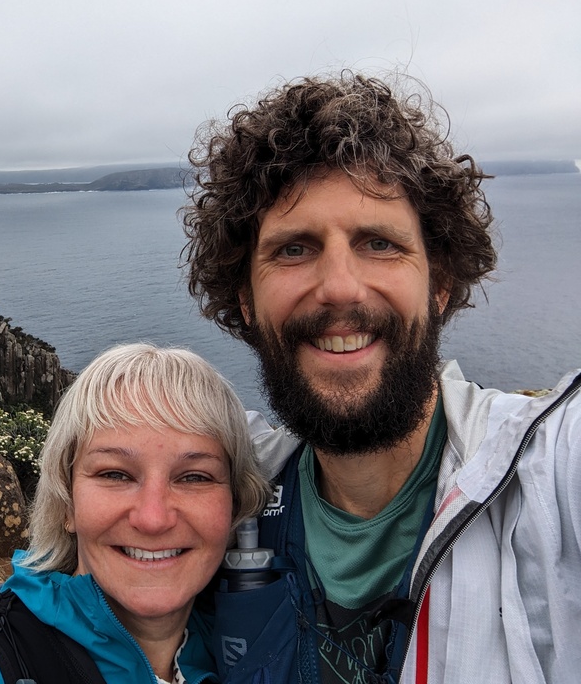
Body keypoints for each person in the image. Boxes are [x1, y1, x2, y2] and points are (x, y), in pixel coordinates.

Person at [182, 71, 581, 683]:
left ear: (440, 283)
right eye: (294, 249)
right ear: (245, 300)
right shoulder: (228, 493)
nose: (339, 286)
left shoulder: (545, 474)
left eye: (378, 243)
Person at [0, 342, 269, 684]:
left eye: (194, 477)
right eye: (115, 474)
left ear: (234, 506)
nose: (153, 518)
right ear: (67, 504)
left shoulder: (254, 651)